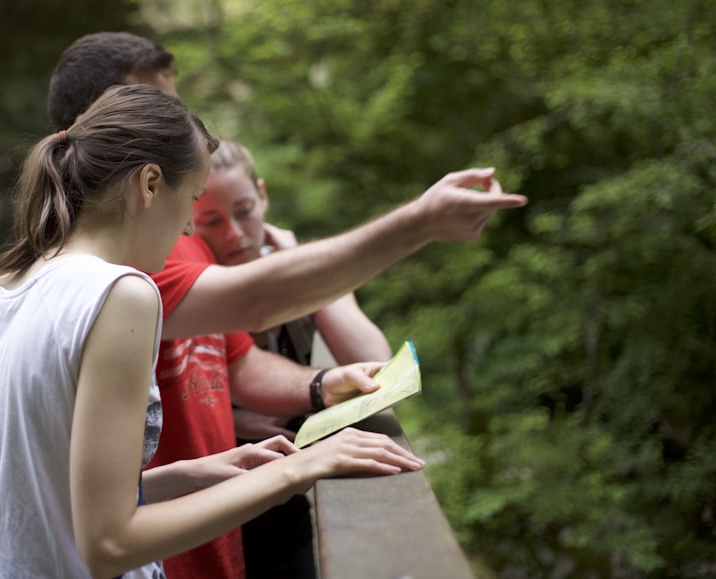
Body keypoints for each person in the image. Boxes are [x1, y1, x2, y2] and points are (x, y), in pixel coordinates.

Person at [47, 32, 528, 579]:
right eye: (160, 108)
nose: (180, 124)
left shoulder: (159, 247)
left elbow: (236, 360)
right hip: (160, 551)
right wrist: (419, 223)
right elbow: (256, 300)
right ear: (110, 125)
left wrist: (320, 386)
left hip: (215, 543)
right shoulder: (120, 277)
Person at [0, 83, 425, 579]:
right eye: (194, 199)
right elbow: (108, 545)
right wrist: (300, 467)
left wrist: (202, 473)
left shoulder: (5, 288)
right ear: (151, 184)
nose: (187, 230)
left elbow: (50, 501)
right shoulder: (119, 293)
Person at [194, 139, 393, 578]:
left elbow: (377, 367)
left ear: (263, 196)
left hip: (284, 506)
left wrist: (307, 268)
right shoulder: (188, 291)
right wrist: (234, 420)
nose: (234, 234)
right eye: (211, 221)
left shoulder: (293, 274)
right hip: (203, 509)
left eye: (244, 211)